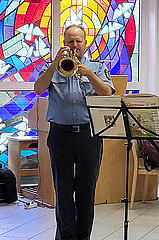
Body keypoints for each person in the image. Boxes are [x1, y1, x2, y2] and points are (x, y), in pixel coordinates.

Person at [34, 25, 114, 240]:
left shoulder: (96, 67)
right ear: (64, 42)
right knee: (63, 189)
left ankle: (83, 236)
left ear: (85, 43)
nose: (75, 46)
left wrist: (89, 74)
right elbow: (38, 89)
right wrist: (53, 65)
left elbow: (107, 93)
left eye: (78, 41)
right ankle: (65, 236)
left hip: (89, 135)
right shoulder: (51, 67)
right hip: (60, 135)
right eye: (70, 41)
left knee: (86, 190)